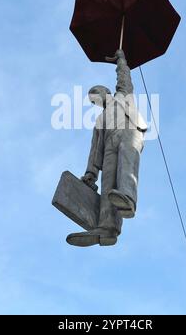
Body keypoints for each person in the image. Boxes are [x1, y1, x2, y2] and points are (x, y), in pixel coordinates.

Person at [67, 49, 147, 247]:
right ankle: (107, 228)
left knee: (126, 166)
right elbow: (95, 150)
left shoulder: (123, 95)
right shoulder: (99, 120)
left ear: (107, 91)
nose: (95, 99)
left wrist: (121, 59)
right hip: (109, 145)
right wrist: (90, 174)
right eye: (92, 99)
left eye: (96, 93)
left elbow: (124, 77)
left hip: (128, 130)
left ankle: (128, 199)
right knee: (107, 185)